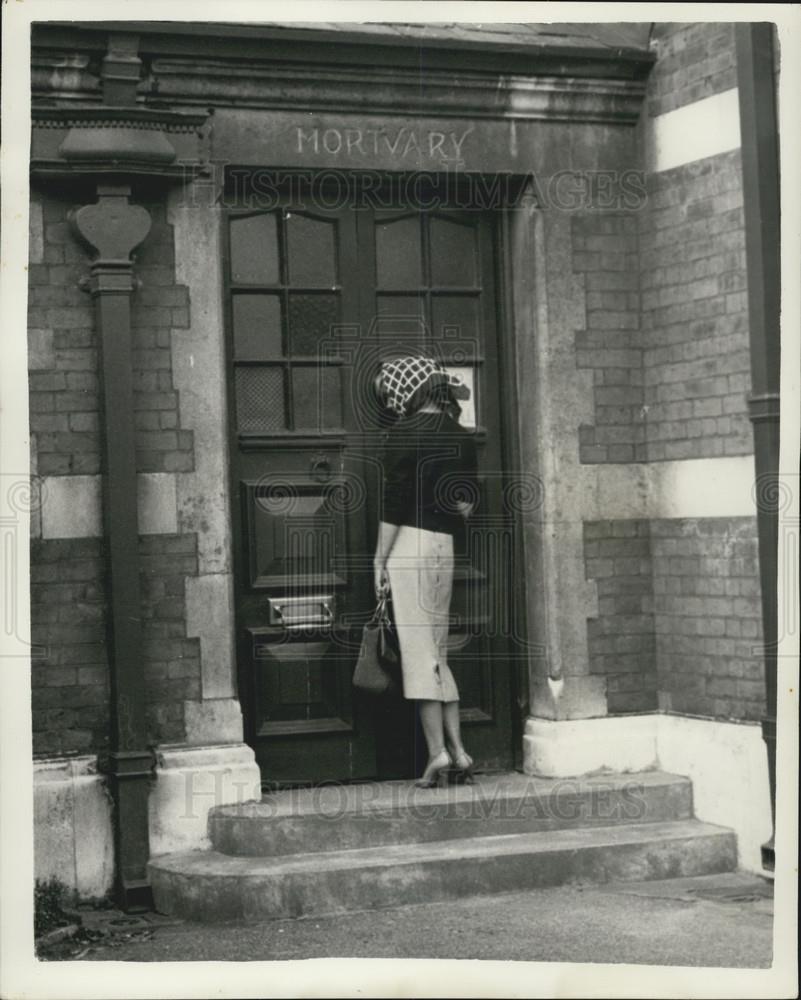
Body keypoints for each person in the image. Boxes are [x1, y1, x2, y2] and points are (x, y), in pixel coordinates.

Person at [373, 355, 479, 788]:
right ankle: (459, 751)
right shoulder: (461, 435)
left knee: (419, 653)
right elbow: (467, 502)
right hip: (444, 545)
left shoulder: (403, 433)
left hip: (410, 546)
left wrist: (379, 559)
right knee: (437, 651)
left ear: (407, 390)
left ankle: (436, 753)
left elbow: (394, 502)